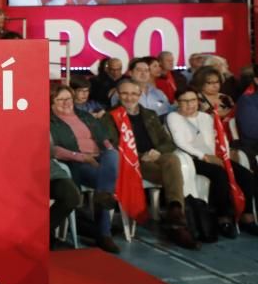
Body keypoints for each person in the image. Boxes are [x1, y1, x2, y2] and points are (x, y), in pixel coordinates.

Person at [103, 79, 197, 249]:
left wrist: (157, 152)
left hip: (154, 158)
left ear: (139, 95)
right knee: (173, 175)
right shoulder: (110, 116)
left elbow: (168, 142)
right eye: (125, 93)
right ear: (118, 94)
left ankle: (175, 213)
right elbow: (113, 145)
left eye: (133, 93)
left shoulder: (150, 114)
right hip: (130, 161)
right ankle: (177, 220)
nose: (129, 97)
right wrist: (140, 155)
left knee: (172, 158)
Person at [167, 88, 258, 238]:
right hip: (192, 158)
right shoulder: (173, 117)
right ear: (177, 103)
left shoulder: (206, 117)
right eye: (185, 101)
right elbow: (181, 142)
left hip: (214, 156)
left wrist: (224, 156)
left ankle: (247, 217)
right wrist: (204, 156)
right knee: (220, 174)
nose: (190, 104)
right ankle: (223, 217)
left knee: (246, 176)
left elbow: (219, 139)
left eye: (193, 100)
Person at [49, 85, 120, 253]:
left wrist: (109, 149)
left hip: (100, 160)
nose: (66, 103)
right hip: (78, 163)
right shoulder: (49, 122)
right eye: (60, 99)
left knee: (112, 155)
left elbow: (104, 139)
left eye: (69, 99)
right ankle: (104, 233)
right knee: (107, 182)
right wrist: (82, 157)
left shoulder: (85, 116)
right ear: (51, 102)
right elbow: (54, 150)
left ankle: (102, 198)